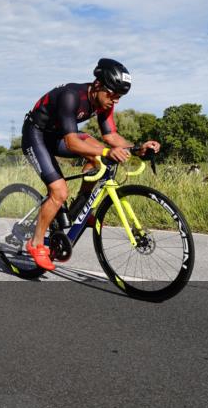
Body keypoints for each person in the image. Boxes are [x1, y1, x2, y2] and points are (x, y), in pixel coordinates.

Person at [21, 58, 160, 270]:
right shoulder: (70, 96)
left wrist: (137, 149)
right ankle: (35, 243)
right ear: (97, 86)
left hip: (59, 135)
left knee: (98, 157)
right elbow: (72, 142)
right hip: (36, 135)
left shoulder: (104, 103)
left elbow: (111, 136)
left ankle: (81, 207)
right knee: (59, 192)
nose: (115, 100)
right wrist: (106, 151)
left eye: (119, 97)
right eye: (112, 94)